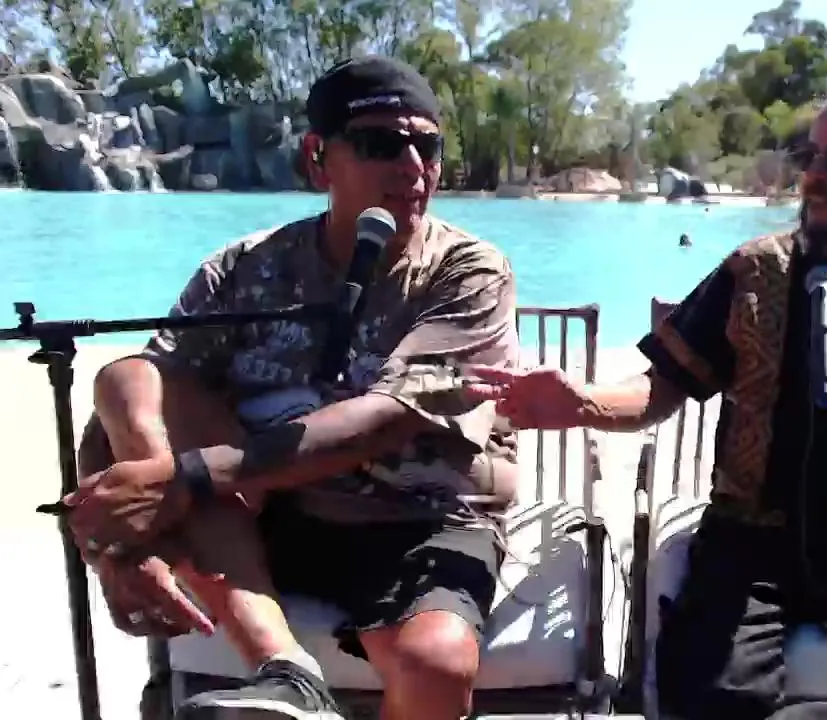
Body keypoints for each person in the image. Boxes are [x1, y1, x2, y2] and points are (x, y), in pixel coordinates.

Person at [464, 88, 827, 719]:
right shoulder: (754, 273)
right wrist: (581, 402)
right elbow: (661, 388)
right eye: (811, 155)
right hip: (752, 545)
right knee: (709, 697)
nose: (815, 175)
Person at [63, 55, 519, 720]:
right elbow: (125, 413)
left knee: (435, 664)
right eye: (380, 143)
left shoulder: (467, 271)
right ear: (317, 159)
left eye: (428, 146)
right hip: (268, 516)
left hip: (421, 520)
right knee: (130, 374)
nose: (412, 166)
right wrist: (119, 546)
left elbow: (388, 418)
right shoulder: (243, 269)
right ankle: (287, 673)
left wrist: (190, 476)